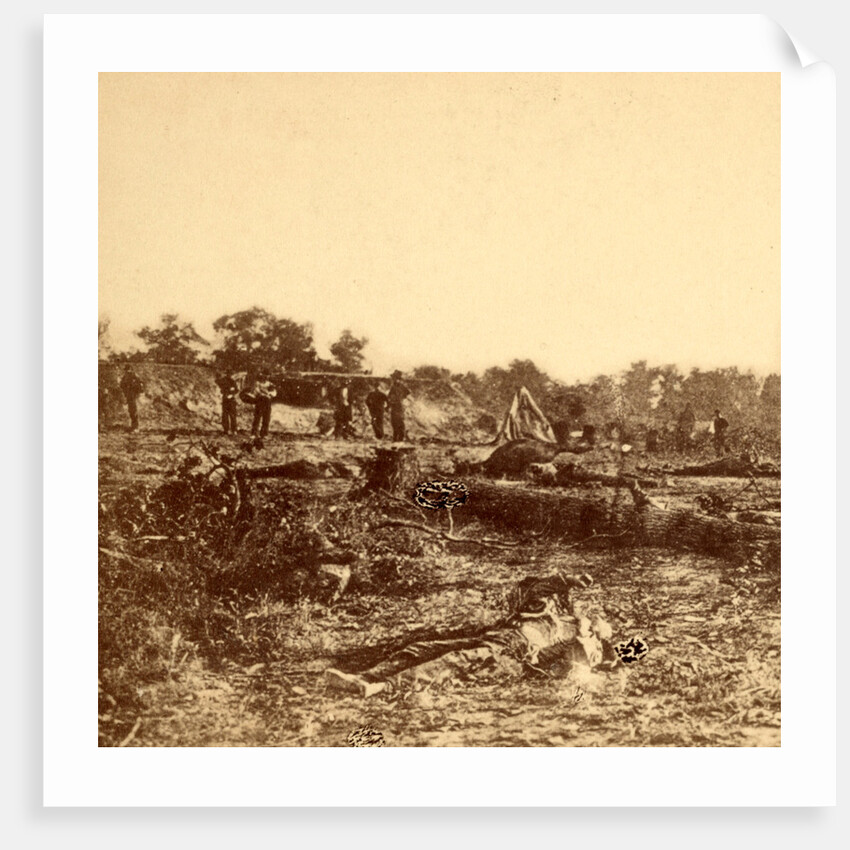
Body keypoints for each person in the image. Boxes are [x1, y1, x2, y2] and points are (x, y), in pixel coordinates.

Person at [325, 572, 620, 698]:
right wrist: (565, 581)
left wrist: (589, 635)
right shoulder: (540, 611)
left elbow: (582, 660)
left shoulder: (581, 634)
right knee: (424, 647)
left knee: (455, 661)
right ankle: (366, 676)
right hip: (499, 637)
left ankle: (380, 687)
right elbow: (534, 590)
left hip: (513, 652)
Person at [119, 366, 144, 432]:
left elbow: (140, 385)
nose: (127, 371)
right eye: (126, 370)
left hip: (133, 396)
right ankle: (133, 425)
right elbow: (121, 385)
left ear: (131, 370)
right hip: (128, 396)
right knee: (131, 411)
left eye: (128, 370)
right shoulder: (125, 377)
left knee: (133, 410)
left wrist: (135, 390)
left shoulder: (134, 376)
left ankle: (135, 426)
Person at [251, 372, 276, 438]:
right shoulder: (258, 383)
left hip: (267, 402)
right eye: (265, 375)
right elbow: (256, 391)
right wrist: (264, 394)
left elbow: (274, 393)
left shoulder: (270, 384)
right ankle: (254, 433)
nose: (266, 377)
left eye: (267, 376)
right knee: (257, 418)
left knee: (266, 418)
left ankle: (264, 434)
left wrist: (270, 394)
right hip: (260, 402)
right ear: (262, 375)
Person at [387, 370, 410, 442]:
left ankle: (399, 438)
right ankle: (397, 438)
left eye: (394, 378)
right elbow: (390, 397)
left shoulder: (395, 387)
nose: (393, 379)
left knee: (397, 422)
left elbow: (390, 397)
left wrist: (401, 398)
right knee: (396, 422)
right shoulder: (399, 386)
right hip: (397, 406)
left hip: (398, 407)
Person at [216, 370, 240, 435]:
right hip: (225, 399)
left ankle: (234, 430)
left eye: (230, 374)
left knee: (232, 415)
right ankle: (226, 430)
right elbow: (218, 383)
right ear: (226, 374)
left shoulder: (233, 381)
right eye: (228, 374)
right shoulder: (223, 380)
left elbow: (237, 390)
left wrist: (231, 395)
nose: (229, 375)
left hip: (231, 399)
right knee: (225, 415)